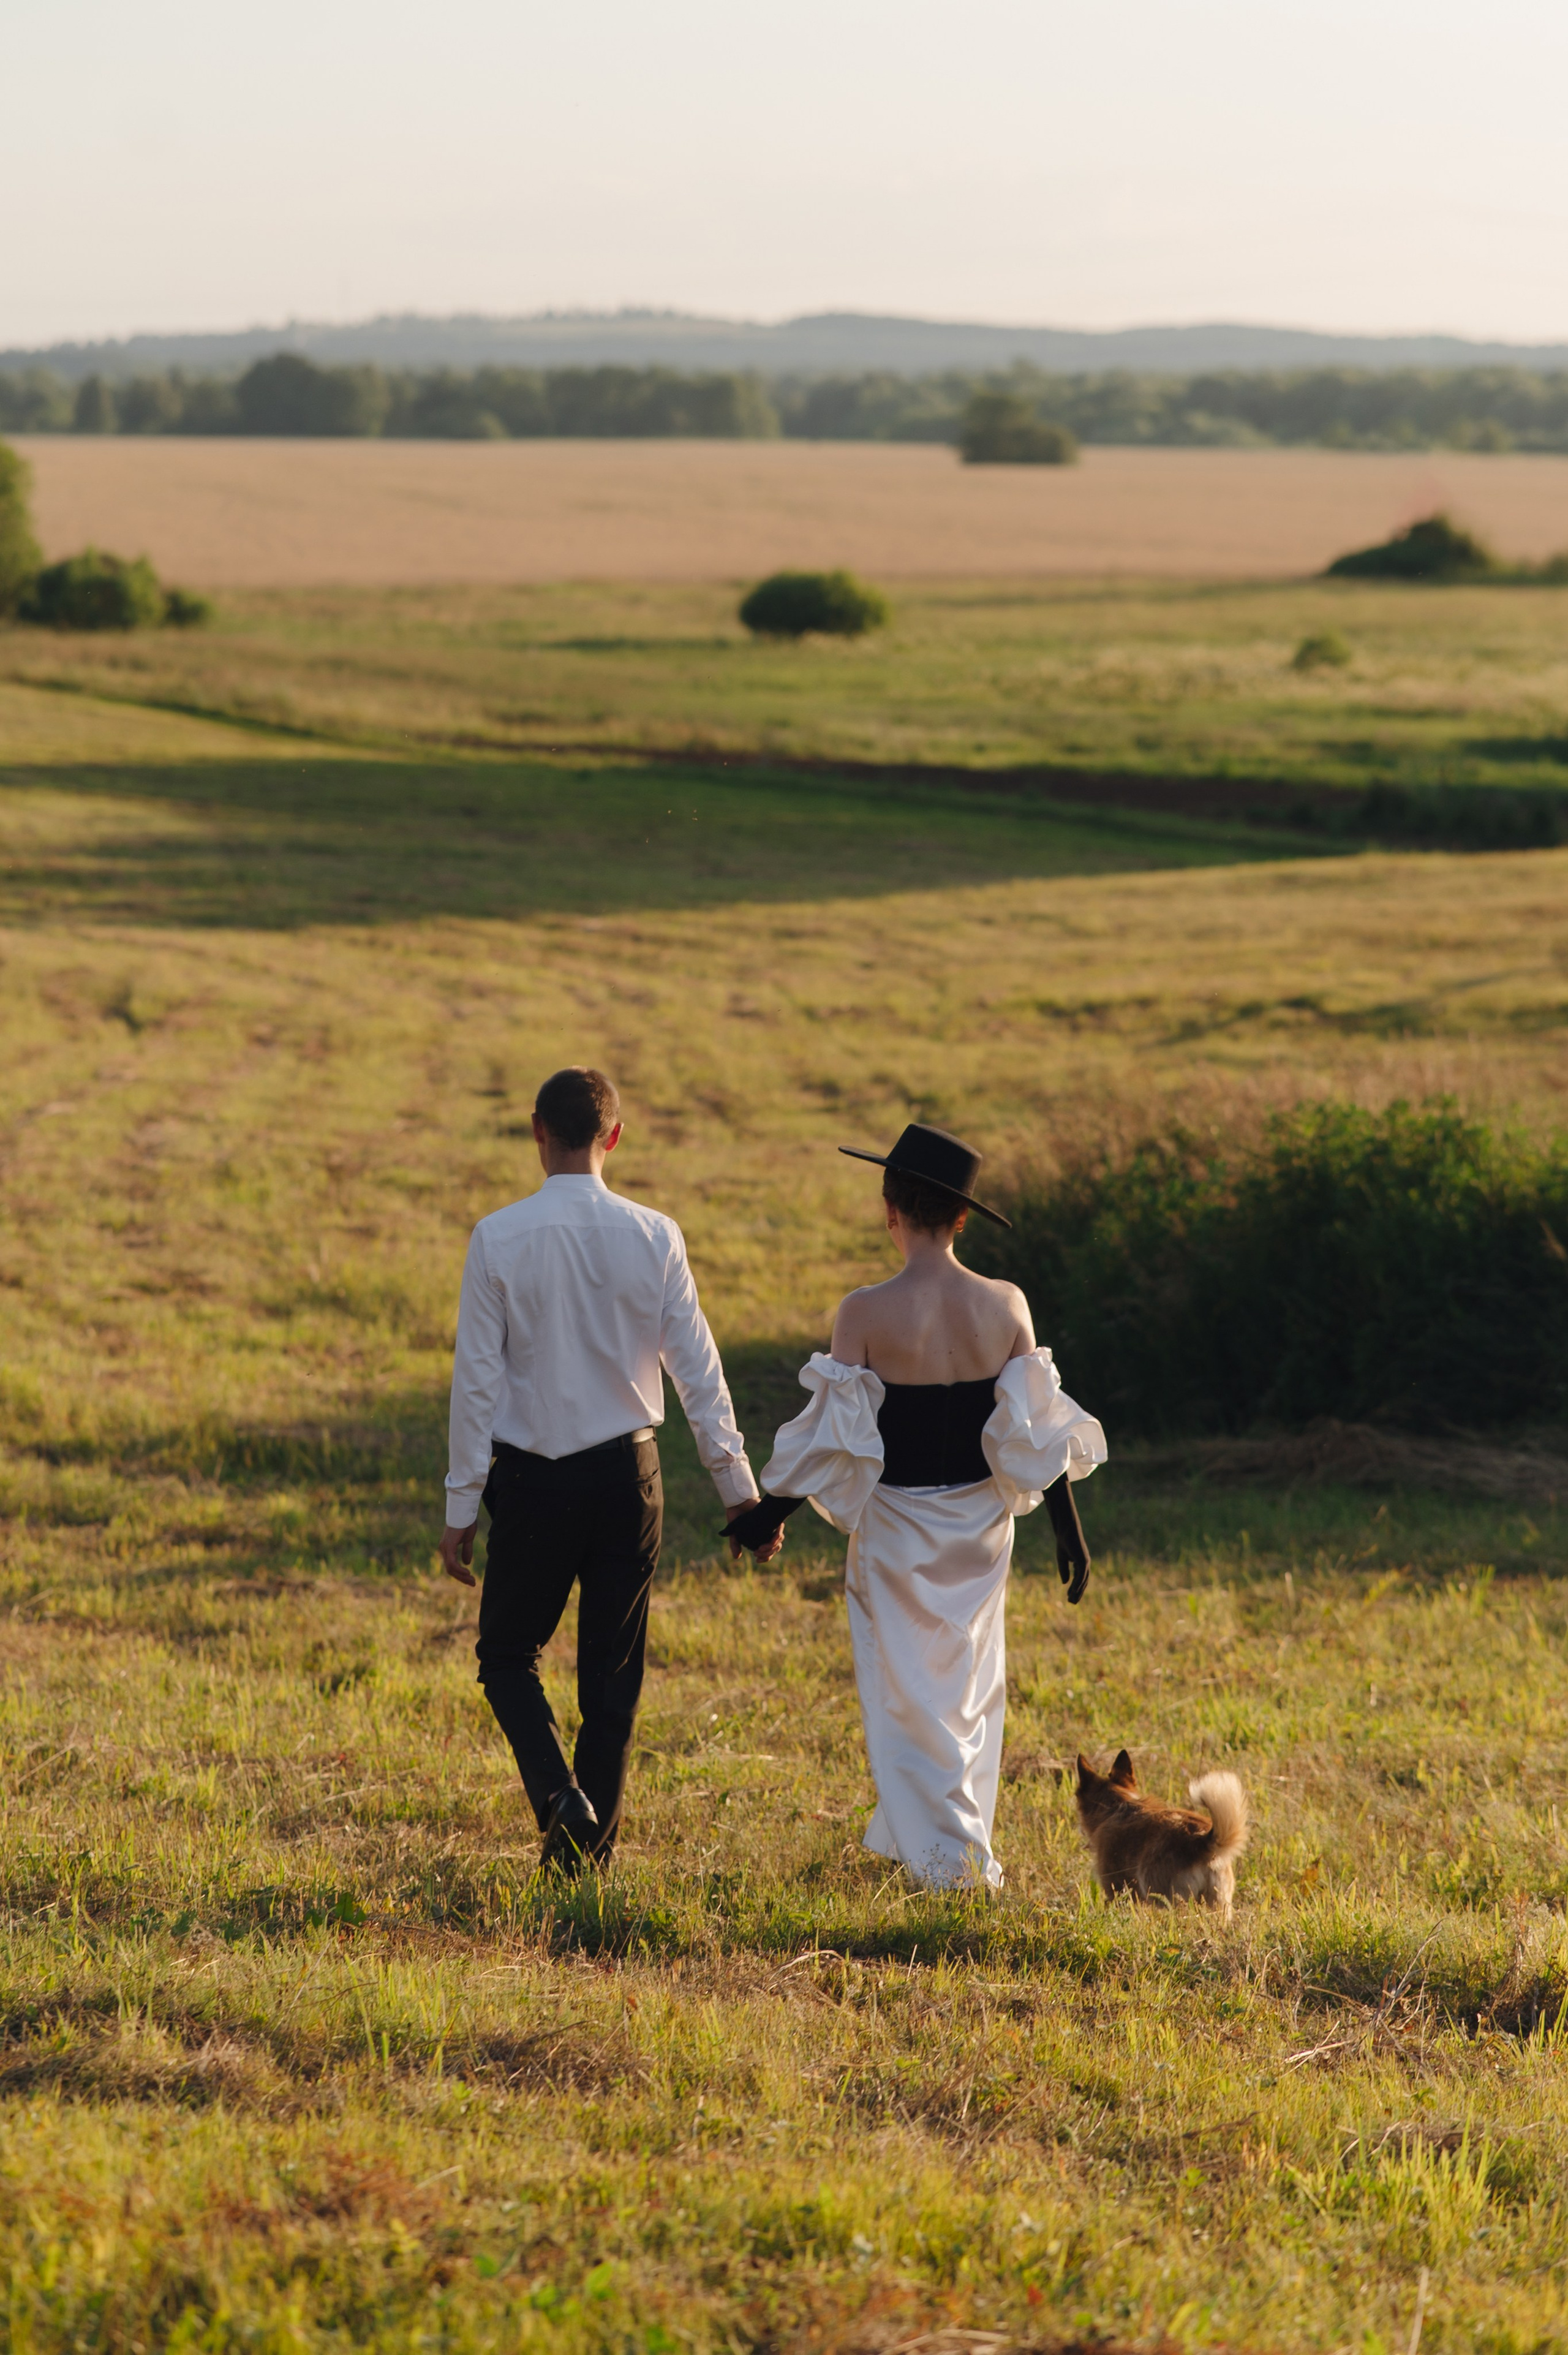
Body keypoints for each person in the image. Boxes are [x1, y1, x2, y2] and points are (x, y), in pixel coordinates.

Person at [726, 1123, 1106, 1891]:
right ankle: (931, 1840)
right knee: (968, 1688)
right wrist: (1069, 1533)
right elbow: (1035, 1433)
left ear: (888, 1210)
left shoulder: (864, 1312)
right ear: (962, 1217)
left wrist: (767, 1515)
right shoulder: (1005, 1304)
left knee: (904, 1692)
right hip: (980, 1527)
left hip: (895, 1527)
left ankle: (953, 1865)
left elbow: (833, 1439)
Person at [440, 1066, 778, 1874]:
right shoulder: (657, 1234)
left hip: (532, 1482)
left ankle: (561, 1799)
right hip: (631, 1478)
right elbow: (699, 1374)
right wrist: (739, 1493)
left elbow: (476, 1382)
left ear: (536, 1130)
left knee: (506, 1657)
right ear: (614, 1137)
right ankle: (585, 1863)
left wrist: (461, 1504)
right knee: (612, 1681)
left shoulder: (498, 1236)